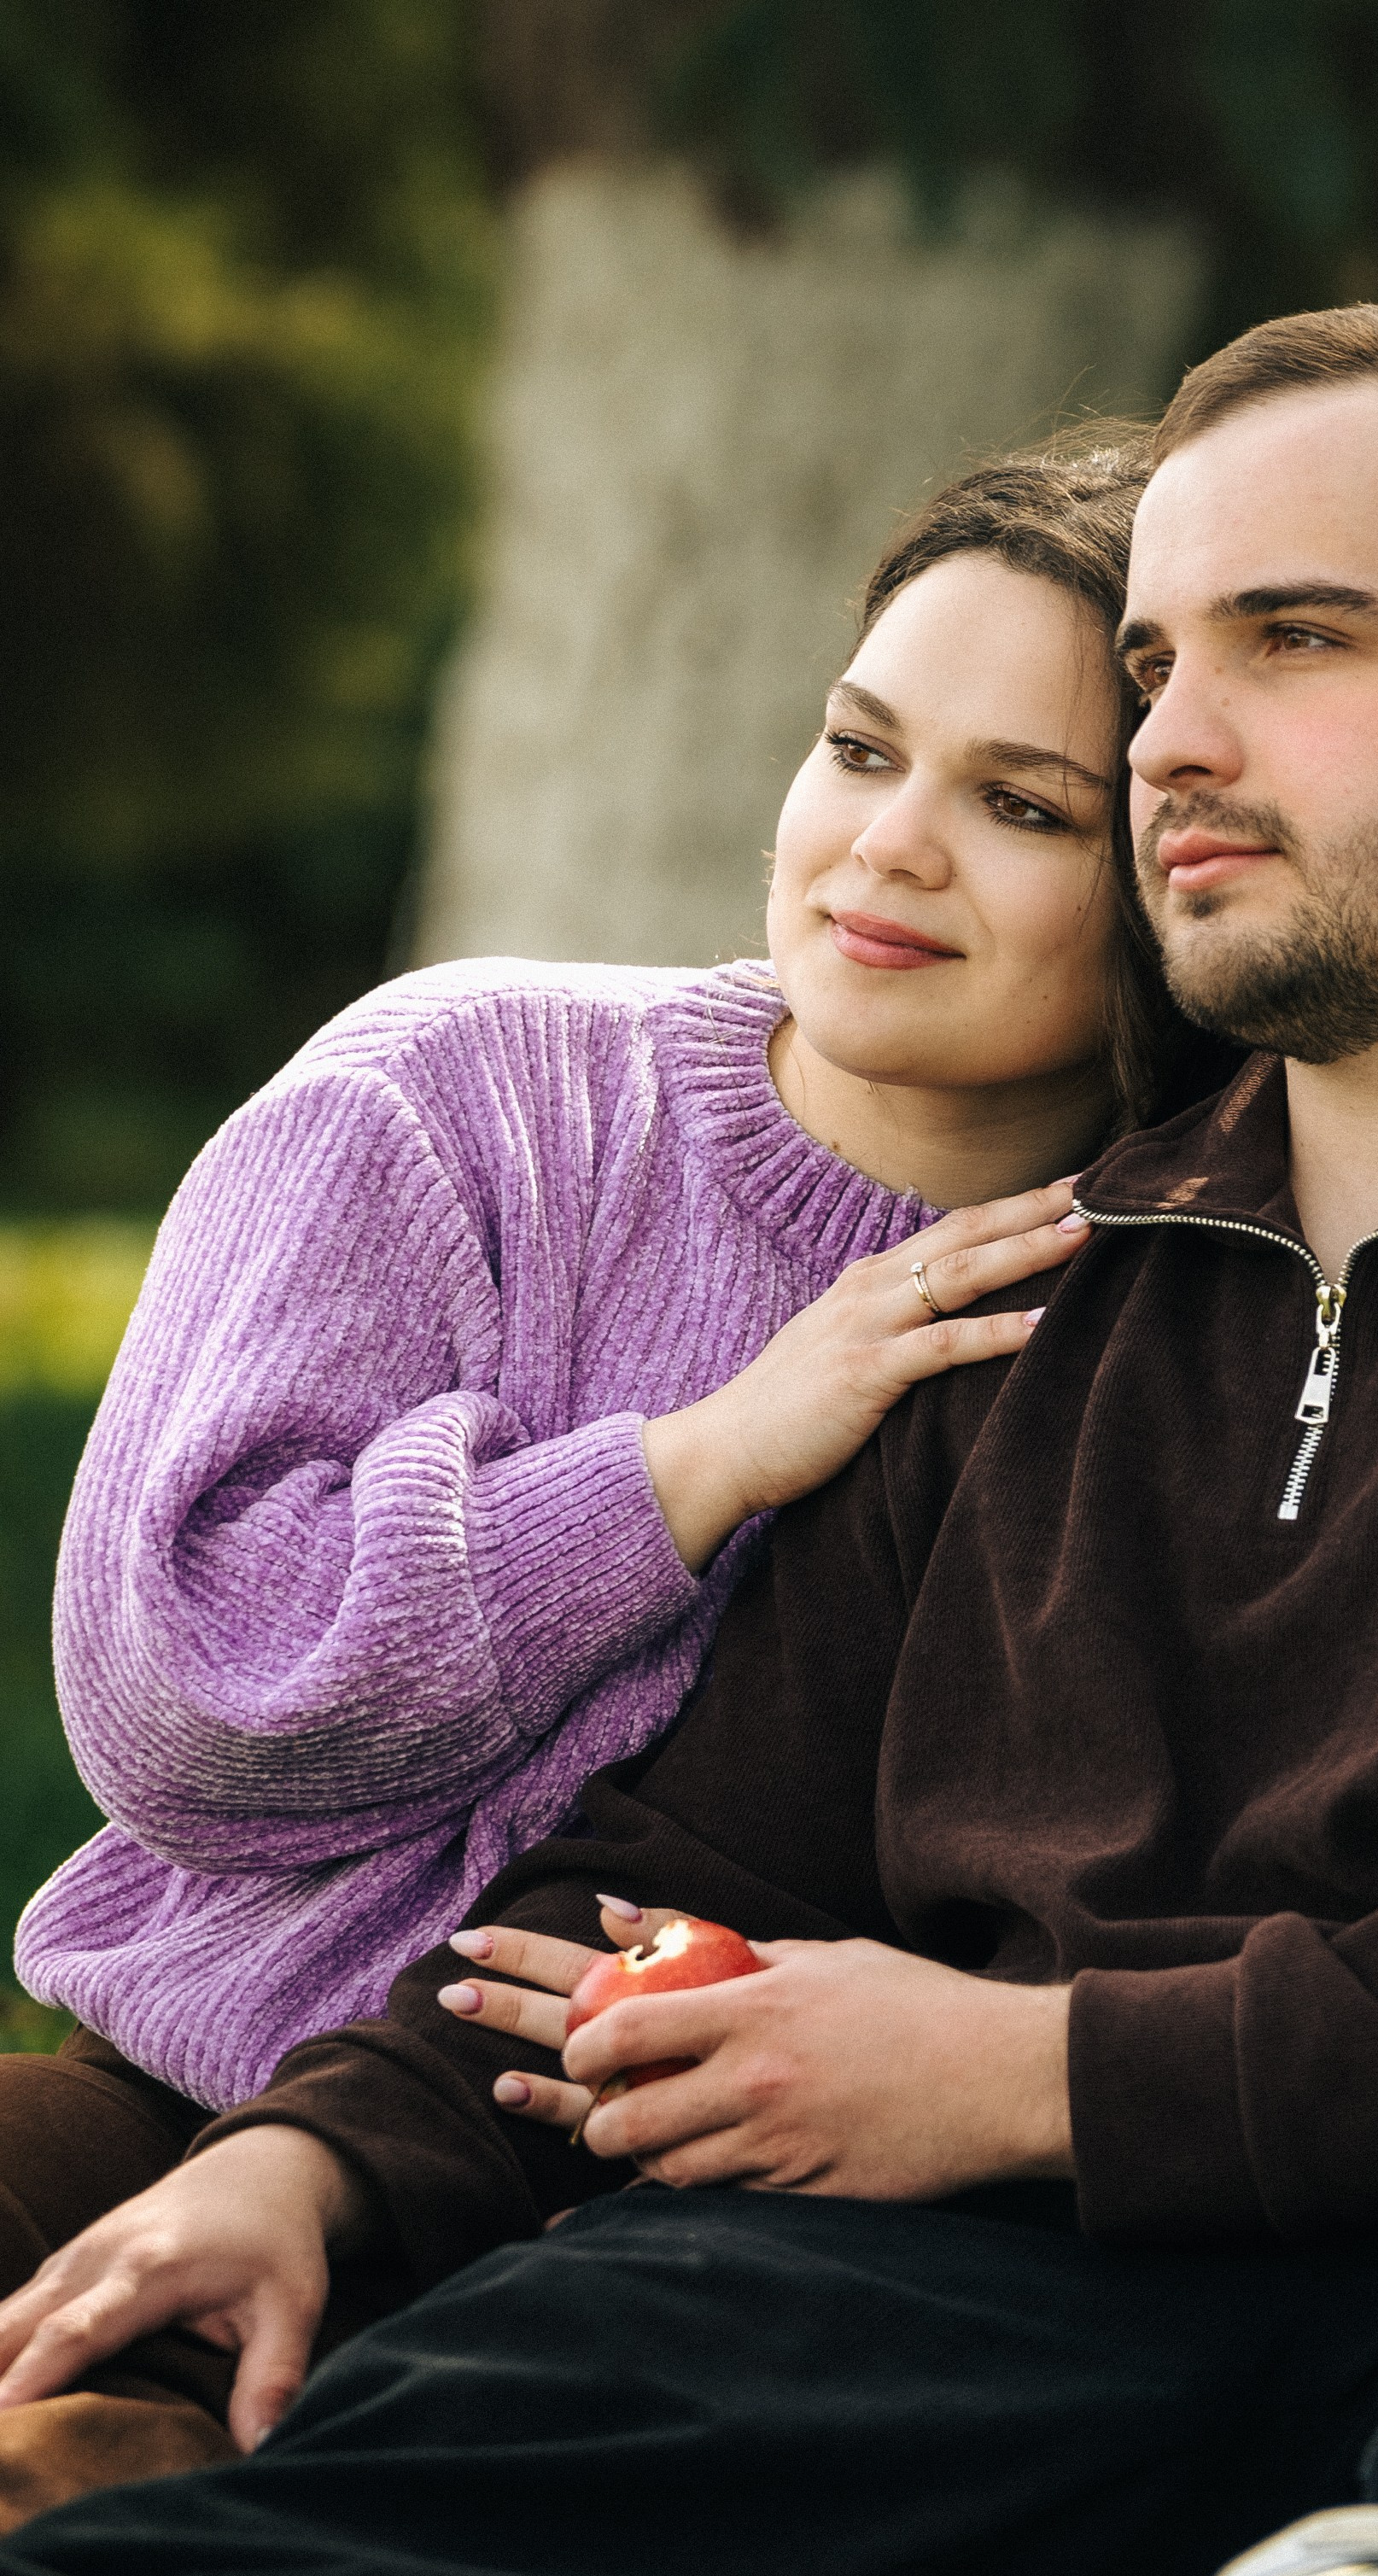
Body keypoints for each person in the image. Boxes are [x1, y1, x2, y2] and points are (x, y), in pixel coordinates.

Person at [0, 306, 1378, 2576]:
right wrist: (334, 2154)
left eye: (1293, 642)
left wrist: (1036, 2069)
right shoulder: (1026, 1289)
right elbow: (681, 1878)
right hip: (929, 2305)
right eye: (1152, 671)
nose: (1177, 745)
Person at [0, 430, 1223, 2470]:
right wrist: (694, 1467)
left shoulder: (1181, 1321)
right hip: (180, 2113)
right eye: (857, 749)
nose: (888, 847)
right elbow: (178, 1698)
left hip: (674, 2268)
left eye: (1021, 805)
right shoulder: (456, 1096)